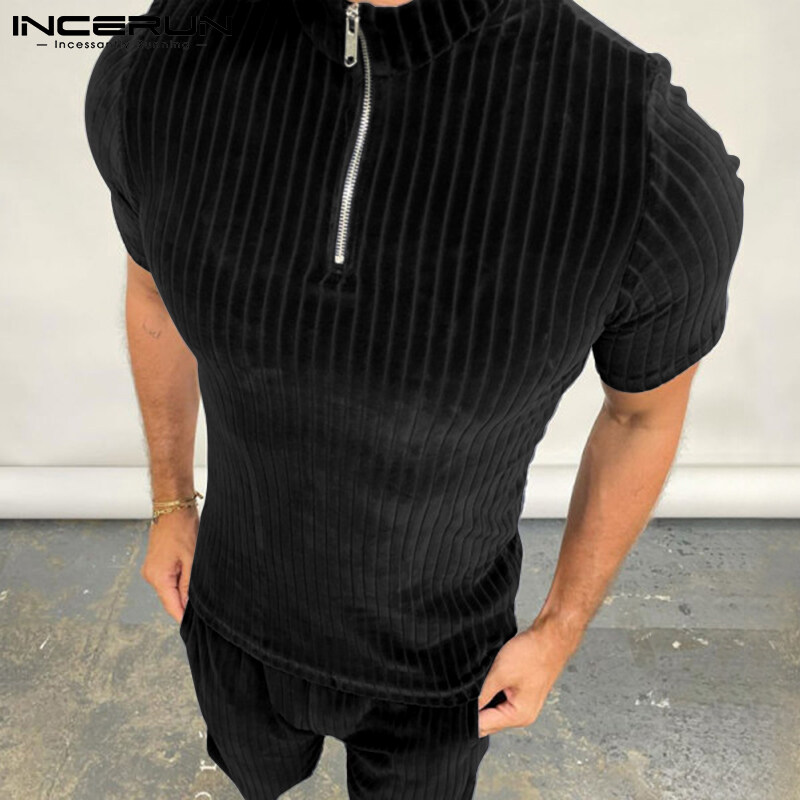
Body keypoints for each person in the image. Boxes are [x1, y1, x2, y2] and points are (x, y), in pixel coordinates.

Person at [84, 0, 745, 796]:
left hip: (445, 668)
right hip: (229, 615)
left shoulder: (641, 154)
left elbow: (642, 414)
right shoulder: (164, 65)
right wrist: (169, 501)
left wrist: (559, 629)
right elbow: (153, 293)